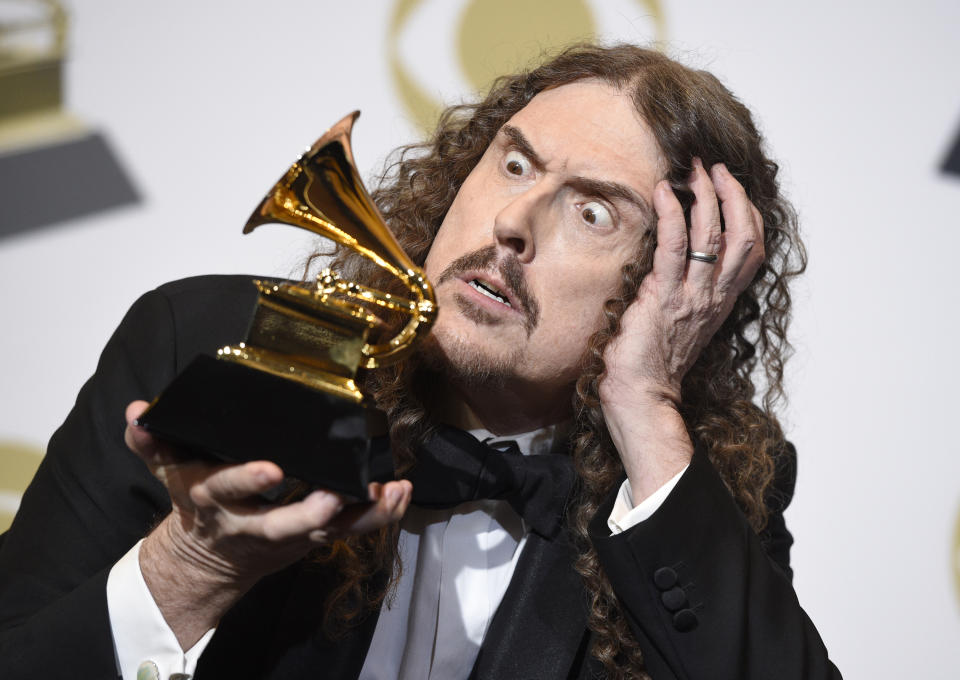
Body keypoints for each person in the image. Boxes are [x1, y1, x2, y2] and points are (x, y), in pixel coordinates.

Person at [0, 44, 840, 679]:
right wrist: (190, 566)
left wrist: (648, 405)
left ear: (674, 285)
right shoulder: (207, 341)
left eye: (591, 212)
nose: (512, 222)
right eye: (514, 164)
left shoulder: (696, 489)